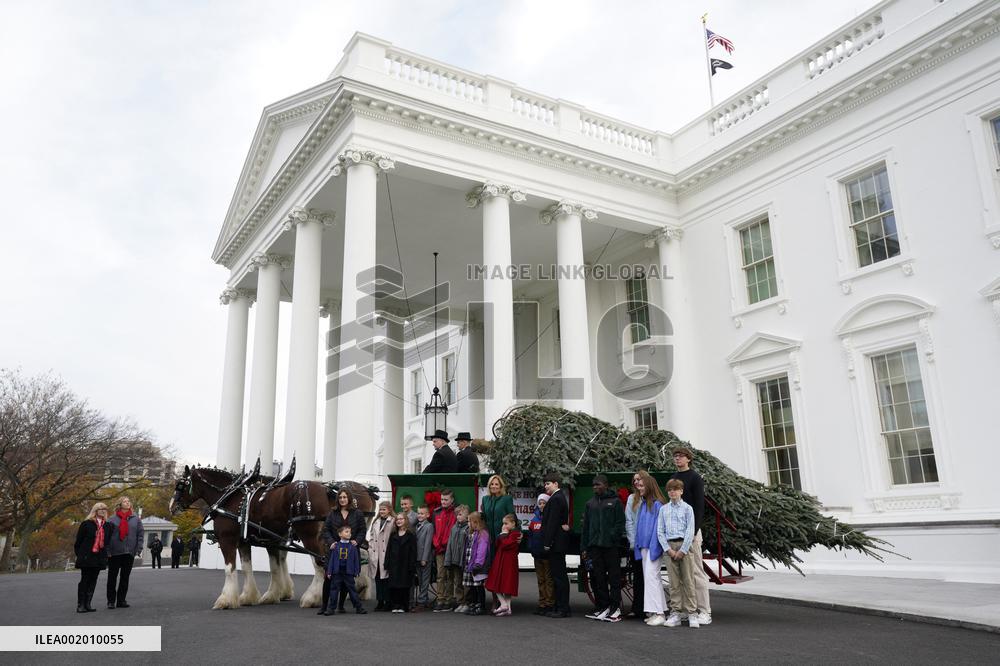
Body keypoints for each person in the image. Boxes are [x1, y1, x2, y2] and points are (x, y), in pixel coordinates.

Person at [671, 446, 712, 626]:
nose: (677, 459)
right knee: (680, 575)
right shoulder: (674, 478)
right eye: (675, 456)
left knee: (696, 571)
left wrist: (693, 532)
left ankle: (704, 611)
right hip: (676, 533)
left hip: (692, 531)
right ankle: (688, 610)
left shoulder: (695, 478)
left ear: (688, 459)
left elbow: (699, 506)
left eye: (681, 456)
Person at [581, 474, 626, 623]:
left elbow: (620, 524)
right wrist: (585, 547)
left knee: (614, 578)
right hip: (595, 547)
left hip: (611, 547)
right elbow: (585, 527)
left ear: (606, 485)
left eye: (598, 484)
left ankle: (615, 609)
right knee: (598, 578)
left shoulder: (615, 502)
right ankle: (603, 607)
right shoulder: (590, 504)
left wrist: (613, 537)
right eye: (594, 485)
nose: (595, 487)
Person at [319, 488, 368, 615]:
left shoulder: (357, 513)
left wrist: (357, 541)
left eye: (345, 497)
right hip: (334, 551)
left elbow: (363, 530)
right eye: (340, 497)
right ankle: (325, 606)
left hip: (350, 550)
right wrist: (331, 542)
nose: (342, 499)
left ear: (349, 498)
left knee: (347, 581)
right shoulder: (333, 513)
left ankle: (340, 605)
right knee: (328, 579)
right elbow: (326, 530)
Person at [658, 478, 698, 628]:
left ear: (681, 491)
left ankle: (692, 613)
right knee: (673, 583)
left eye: (675, 489)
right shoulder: (663, 509)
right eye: (669, 490)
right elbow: (660, 531)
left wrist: (683, 550)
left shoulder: (688, 509)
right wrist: (667, 549)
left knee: (688, 580)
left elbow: (690, 530)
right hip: (669, 546)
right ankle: (676, 612)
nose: (672, 492)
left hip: (684, 545)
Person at [631, 470, 667, 626]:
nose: (639, 487)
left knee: (652, 578)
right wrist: (638, 546)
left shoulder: (657, 505)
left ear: (650, 486)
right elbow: (640, 526)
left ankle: (659, 613)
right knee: (651, 579)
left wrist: (654, 549)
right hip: (644, 547)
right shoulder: (645, 504)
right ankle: (656, 611)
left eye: (642, 485)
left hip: (652, 548)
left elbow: (658, 530)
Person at [540, 472, 571, 618]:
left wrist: (547, 543)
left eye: (548, 483)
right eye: (545, 484)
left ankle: (563, 608)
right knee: (558, 576)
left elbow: (552, 523)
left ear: (556, 484)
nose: (545, 486)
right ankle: (559, 606)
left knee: (559, 577)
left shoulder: (557, 499)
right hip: (557, 542)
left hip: (556, 544)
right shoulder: (557, 498)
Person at [74, 502, 112, 613]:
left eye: (105, 508)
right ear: (95, 510)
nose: (103, 510)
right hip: (87, 556)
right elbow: (78, 542)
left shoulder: (107, 525)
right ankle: (81, 605)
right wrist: (81, 555)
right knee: (84, 580)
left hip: (99, 557)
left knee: (93, 580)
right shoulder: (86, 524)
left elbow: (107, 542)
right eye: (100, 509)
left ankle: (88, 604)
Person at [106, 496, 143, 609]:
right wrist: (107, 551)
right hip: (115, 552)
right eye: (124, 501)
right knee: (112, 577)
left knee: (125, 578)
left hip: (129, 552)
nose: (127, 503)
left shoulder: (136, 519)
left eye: (128, 501)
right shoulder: (111, 519)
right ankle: (111, 601)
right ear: (119, 504)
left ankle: (121, 600)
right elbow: (106, 537)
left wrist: (139, 548)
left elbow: (140, 534)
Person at [324, 524, 367, 615]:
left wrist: (357, 571)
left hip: (348, 572)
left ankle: (359, 607)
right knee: (334, 590)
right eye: (346, 532)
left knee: (352, 590)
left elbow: (356, 560)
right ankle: (331, 608)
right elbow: (332, 560)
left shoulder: (353, 547)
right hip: (337, 572)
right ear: (340, 534)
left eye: (350, 532)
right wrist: (329, 571)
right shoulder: (335, 546)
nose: (349, 534)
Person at [485, 513, 522, 616]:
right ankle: (506, 607)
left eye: (506, 523)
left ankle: (505, 605)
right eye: (503, 523)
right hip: (502, 560)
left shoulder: (515, 534)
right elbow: (497, 544)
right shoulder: (508, 533)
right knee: (499, 583)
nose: (504, 526)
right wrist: (502, 535)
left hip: (508, 562)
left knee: (504, 584)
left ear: (513, 523)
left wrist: (503, 535)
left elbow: (506, 544)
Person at [431, 488, 459, 611]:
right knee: (440, 575)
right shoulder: (436, 512)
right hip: (439, 549)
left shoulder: (456, 513)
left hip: (450, 549)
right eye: (442, 499)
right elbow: (434, 531)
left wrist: (447, 544)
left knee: (450, 575)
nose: (443, 501)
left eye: (446, 499)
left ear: (452, 500)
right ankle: (440, 599)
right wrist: (436, 544)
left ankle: (449, 599)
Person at [384, 512, 418, 613]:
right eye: (397, 519)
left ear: (406, 521)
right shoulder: (393, 534)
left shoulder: (410, 535)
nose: (399, 521)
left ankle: (403, 605)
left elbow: (413, 551)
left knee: (404, 586)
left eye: (401, 519)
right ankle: (395, 605)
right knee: (394, 586)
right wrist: (387, 563)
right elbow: (388, 550)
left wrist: (412, 565)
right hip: (394, 564)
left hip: (405, 564)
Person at [527, 493, 555, 615]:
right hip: (537, 555)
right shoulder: (534, 520)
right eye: (540, 503)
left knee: (549, 580)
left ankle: (550, 603)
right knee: (540, 580)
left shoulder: (549, 519)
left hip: (547, 555)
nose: (542, 505)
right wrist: (531, 548)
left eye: (544, 503)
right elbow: (531, 536)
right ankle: (542, 603)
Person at [366, 501, 395, 611]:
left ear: (389, 510)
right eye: (381, 509)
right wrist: (370, 550)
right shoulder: (376, 522)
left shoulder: (393, 521)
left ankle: (388, 601)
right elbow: (372, 537)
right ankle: (380, 601)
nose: (382, 511)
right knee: (378, 579)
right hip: (376, 555)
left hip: (387, 555)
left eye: (384, 509)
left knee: (386, 580)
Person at [462, 511, 490, 615]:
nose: (468, 523)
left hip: (478, 566)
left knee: (479, 586)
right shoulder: (471, 533)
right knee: (472, 586)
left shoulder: (482, 534)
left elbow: (481, 551)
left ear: (476, 522)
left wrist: (478, 564)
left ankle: (481, 605)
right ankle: (473, 604)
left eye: (470, 521)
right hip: (470, 564)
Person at [624, 473, 644, 619]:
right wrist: (632, 542)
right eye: (635, 480)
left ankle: (650, 608)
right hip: (636, 543)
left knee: (649, 577)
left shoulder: (651, 498)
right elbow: (629, 521)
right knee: (638, 576)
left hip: (649, 544)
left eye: (639, 479)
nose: (637, 482)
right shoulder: (632, 498)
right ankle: (637, 608)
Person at [444, 504, 471, 613]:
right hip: (454, 560)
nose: (458, 517)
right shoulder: (454, 528)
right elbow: (450, 544)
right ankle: (460, 602)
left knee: (466, 584)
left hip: (464, 560)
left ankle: (467, 602)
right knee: (457, 582)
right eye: (457, 515)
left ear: (466, 516)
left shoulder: (468, 529)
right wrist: (448, 559)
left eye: (460, 515)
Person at [414, 506, 434, 610]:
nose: (420, 515)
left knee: (425, 580)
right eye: (418, 513)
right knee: (421, 580)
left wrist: (424, 558)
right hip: (417, 557)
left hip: (424, 557)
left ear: (427, 515)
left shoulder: (429, 526)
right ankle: (424, 599)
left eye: (422, 513)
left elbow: (427, 543)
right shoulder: (416, 525)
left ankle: (421, 602)